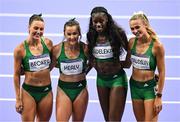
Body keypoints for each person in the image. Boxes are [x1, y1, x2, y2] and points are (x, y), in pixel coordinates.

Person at [86, 6, 131, 121]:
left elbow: (130, 50)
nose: (98, 24)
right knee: (107, 119)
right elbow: (91, 56)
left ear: (107, 20)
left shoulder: (118, 33)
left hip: (117, 80)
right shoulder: (91, 35)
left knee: (113, 120)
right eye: (95, 22)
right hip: (101, 80)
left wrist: (126, 63)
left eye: (101, 21)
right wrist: (84, 73)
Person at [13, 14, 53, 121]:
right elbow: (16, 75)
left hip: (46, 91)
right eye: (35, 28)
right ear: (29, 27)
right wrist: (18, 99)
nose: (38, 31)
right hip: (28, 92)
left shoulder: (48, 44)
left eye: (41, 29)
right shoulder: (20, 49)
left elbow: (53, 63)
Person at [128, 11, 165, 121]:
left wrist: (159, 96)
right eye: (132, 29)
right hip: (134, 87)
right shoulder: (131, 42)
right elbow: (126, 63)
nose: (135, 31)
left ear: (145, 25)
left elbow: (162, 72)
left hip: (149, 88)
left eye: (137, 27)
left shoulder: (157, 46)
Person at [51, 18, 89, 121]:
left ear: (79, 33)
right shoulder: (57, 49)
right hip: (64, 89)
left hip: (80, 89)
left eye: (74, 34)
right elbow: (48, 67)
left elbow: (94, 63)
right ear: (64, 34)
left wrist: (85, 72)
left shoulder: (85, 49)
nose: (72, 37)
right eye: (69, 34)